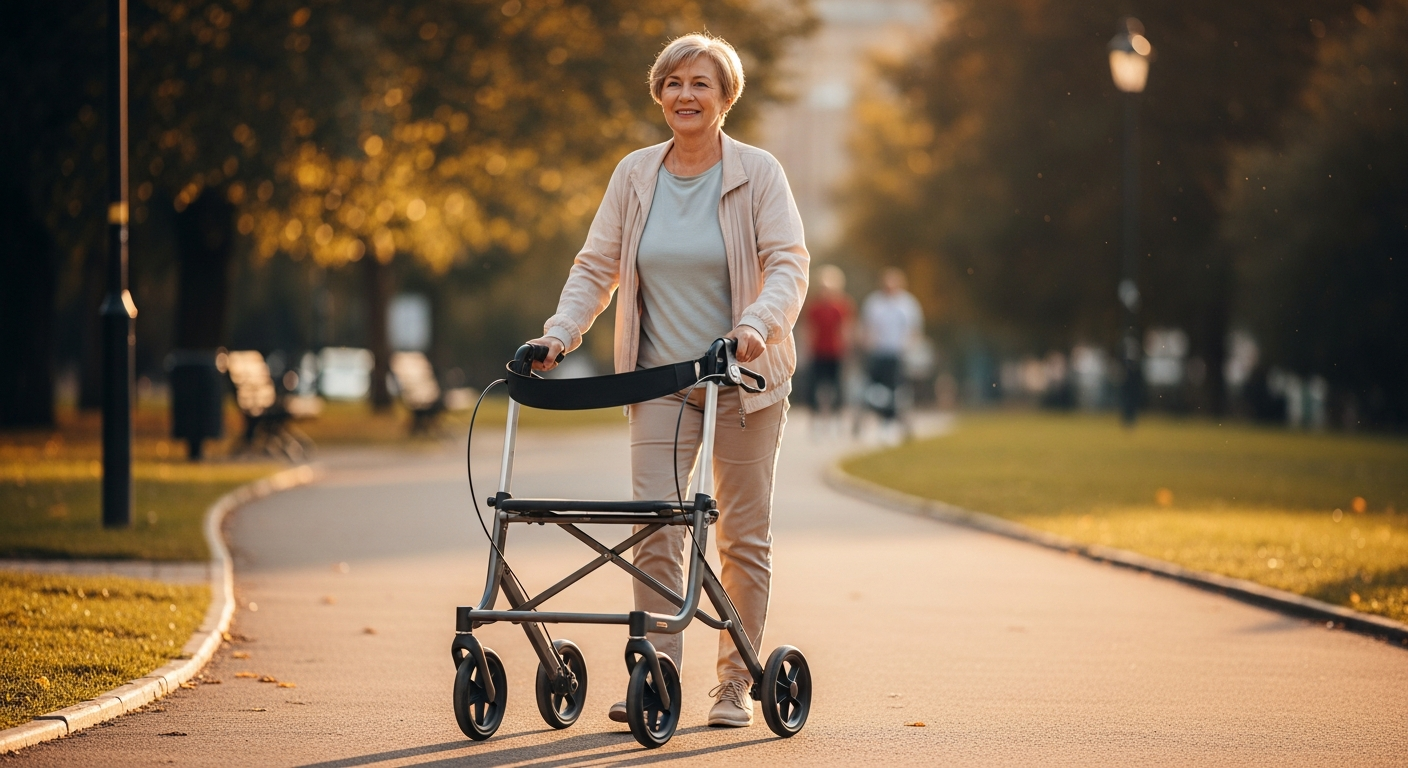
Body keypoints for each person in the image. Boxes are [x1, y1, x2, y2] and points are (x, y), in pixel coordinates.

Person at [522, 33, 809, 729]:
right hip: (656, 382)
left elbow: (789, 264)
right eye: (674, 82)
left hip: (741, 381)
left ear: (725, 97)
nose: (686, 94)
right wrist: (559, 333)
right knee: (655, 528)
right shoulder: (634, 175)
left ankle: (735, 683)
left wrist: (756, 324)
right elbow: (597, 267)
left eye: (701, 83)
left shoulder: (758, 173)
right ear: (659, 94)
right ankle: (658, 674)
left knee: (741, 536)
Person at [860, 267, 922, 436]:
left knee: (897, 391)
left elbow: (914, 330)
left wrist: (909, 346)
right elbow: (867, 327)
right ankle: (876, 420)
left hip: (897, 353)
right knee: (875, 391)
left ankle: (894, 422)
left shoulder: (908, 304)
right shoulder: (874, 302)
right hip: (878, 352)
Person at [804, 265, 854, 427]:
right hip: (818, 351)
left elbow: (845, 329)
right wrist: (807, 348)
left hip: (835, 352)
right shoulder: (814, 307)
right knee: (815, 386)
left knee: (837, 386)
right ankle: (816, 419)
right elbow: (809, 329)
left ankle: (836, 418)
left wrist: (846, 349)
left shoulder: (841, 306)